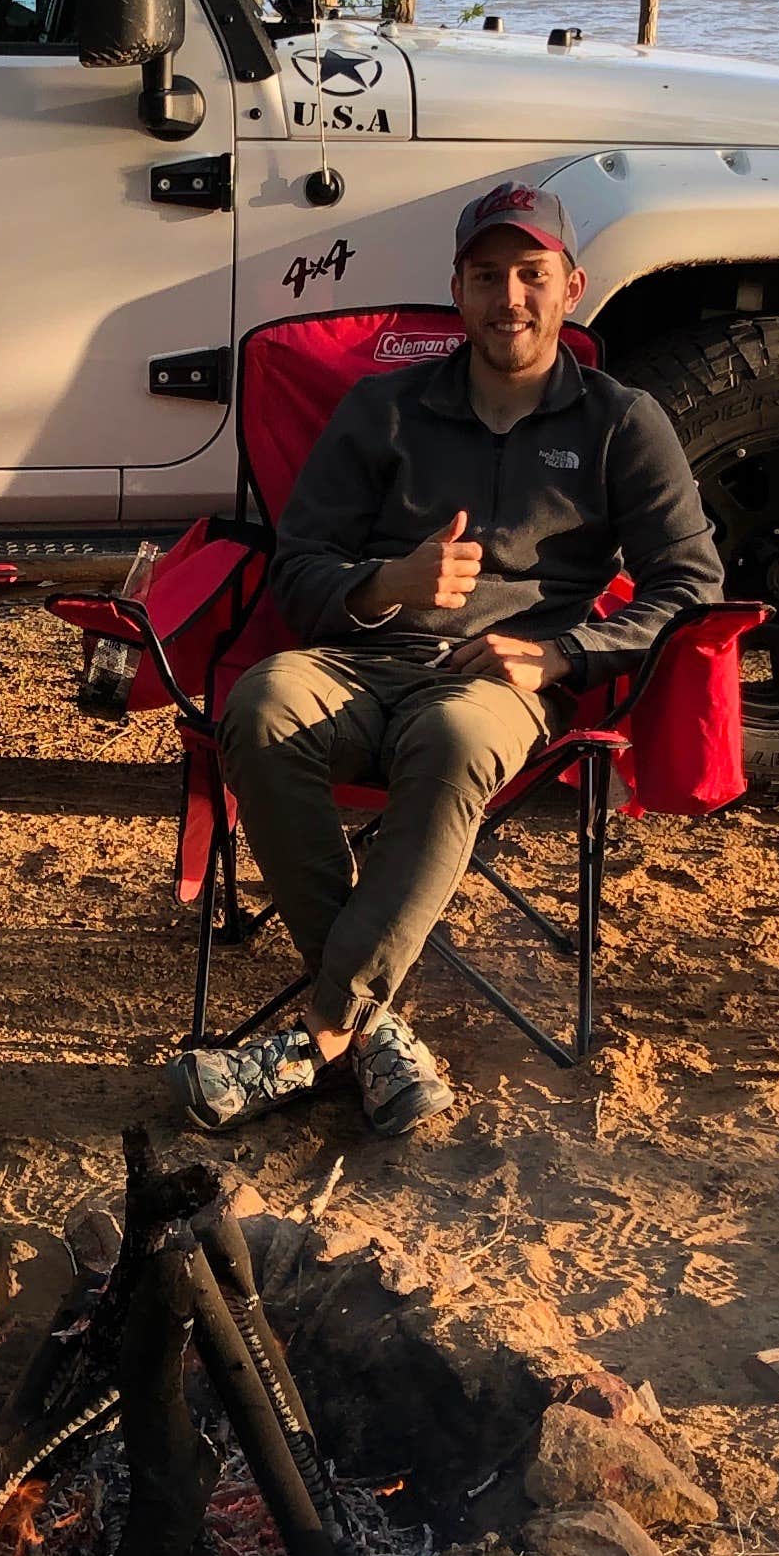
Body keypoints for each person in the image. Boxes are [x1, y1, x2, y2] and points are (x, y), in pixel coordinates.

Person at [170, 179, 724, 1141]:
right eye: (488, 276)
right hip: (357, 659)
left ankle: (322, 1032)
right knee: (260, 709)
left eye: (531, 275)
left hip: (499, 681)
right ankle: (371, 1033)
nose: (510, 297)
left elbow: (690, 586)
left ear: (571, 286)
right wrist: (392, 581)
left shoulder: (619, 422)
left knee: (460, 738)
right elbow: (296, 567)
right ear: (457, 293)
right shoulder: (382, 411)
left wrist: (560, 656)